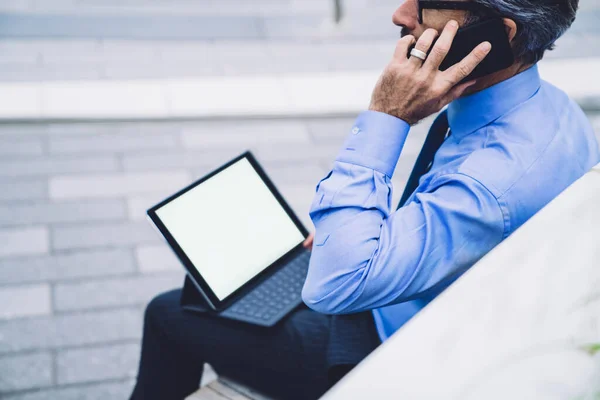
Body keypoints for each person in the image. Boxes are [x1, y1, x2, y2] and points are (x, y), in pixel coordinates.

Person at [130, 1, 598, 399]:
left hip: (381, 346)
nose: (400, 14)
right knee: (258, 278)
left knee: (168, 313)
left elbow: (333, 289)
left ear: (499, 34)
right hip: (419, 301)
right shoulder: (554, 110)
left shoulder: (488, 183)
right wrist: (365, 233)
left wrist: (387, 115)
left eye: (425, 2)